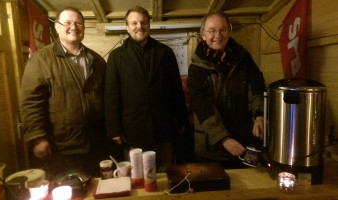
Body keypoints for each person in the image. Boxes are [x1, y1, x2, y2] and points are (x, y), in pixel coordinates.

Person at [20, 6, 108, 179]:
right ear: (57, 27)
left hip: (95, 143)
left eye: (78, 23)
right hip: (61, 147)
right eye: (67, 23)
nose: (73, 27)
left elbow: (106, 98)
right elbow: (31, 102)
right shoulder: (40, 60)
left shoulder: (97, 61)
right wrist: (38, 137)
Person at [104, 6, 188, 172]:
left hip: (163, 128)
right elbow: (111, 95)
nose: (139, 26)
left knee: (166, 173)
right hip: (133, 131)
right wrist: (114, 129)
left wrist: (182, 119)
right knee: (137, 178)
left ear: (149, 25)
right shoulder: (116, 57)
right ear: (127, 27)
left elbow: (176, 90)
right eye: (134, 23)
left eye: (143, 22)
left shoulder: (165, 53)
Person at [187, 11, 266, 169]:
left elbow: (257, 86)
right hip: (211, 148)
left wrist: (259, 115)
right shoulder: (196, 68)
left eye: (223, 30)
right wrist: (224, 138)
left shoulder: (243, 58)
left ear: (229, 31)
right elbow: (203, 107)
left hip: (243, 142)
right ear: (203, 35)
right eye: (212, 31)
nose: (218, 35)